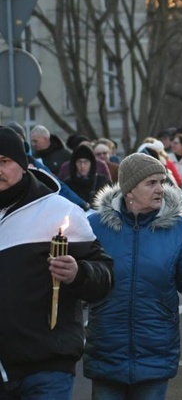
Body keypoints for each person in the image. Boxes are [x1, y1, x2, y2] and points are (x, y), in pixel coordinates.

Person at [84, 153, 182, 399]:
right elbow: (81, 280)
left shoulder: (178, 229)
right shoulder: (95, 226)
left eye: (162, 181)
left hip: (156, 348)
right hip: (107, 347)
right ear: (129, 191)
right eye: (151, 183)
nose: (160, 188)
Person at [0, 127, 114, 398]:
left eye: (4, 161)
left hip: (46, 366)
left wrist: (78, 273)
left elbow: (106, 275)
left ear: (24, 164)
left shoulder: (59, 211)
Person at [64, 143, 111, 207]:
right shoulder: (67, 184)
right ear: (74, 164)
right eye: (79, 162)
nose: (82, 166)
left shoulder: (102, 181)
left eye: (86, 162)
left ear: (92, 164)